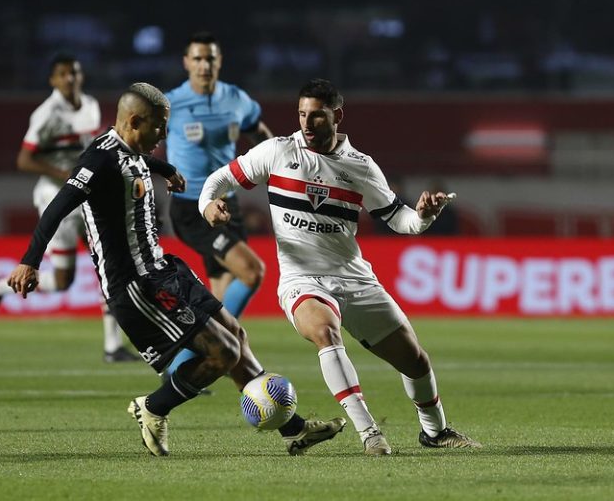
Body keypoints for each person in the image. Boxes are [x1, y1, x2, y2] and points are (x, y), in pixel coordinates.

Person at [6, 83, 345, 457]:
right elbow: (58, 205)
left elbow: (135, 162)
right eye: (159, 126)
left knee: (237, 335)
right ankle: (153, 407)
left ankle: (293, 430)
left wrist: (166, 169)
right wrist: (30, 260)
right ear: (135, 122)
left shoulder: (126, 148)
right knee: (223, 353)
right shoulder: (97, 161)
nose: (164, 135)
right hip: (137, 285)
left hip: (164, 268)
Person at [199, 78, 481, 456]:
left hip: (353, 277)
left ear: (337, 116)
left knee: (414, 360)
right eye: (302, 115)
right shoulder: (278, 152)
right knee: (325, 333)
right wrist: (208, 205)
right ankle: (370, 434)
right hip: (302, 279)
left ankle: (435, 431)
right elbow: (220, 178)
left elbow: (401, 220)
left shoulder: (360, 167)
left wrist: (424, 216)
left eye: (316, 116)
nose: (307, 124)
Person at [0, 53, 136, 363]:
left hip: (90, 196)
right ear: (53, 80)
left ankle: (112, 346)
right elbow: (24, 159)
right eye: (63, 74)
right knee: (63, 281)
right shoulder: (46, 114)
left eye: (74, 73)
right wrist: (67, 176)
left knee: (111, 264)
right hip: (57, 198)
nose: (70, 79)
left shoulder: (91, 105)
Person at [162, 32, 273, 379]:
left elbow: (261, 137)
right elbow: (140, 142)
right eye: (197, 59)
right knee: (252, 272)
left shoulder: (237, 99)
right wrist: (161, 170)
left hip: (229, 205)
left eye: (210, 58)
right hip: (191, 207)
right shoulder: (170, 103)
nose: (204, 65)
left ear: (219, 61)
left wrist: (279, 167)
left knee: (221, 301)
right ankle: (210, 356)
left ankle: (179, 369)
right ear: (186, 63)